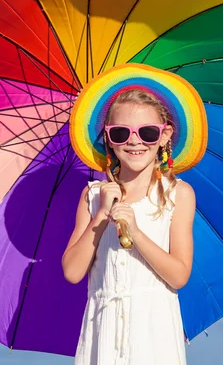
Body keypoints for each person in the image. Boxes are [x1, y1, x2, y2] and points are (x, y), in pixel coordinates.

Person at [63, 83, 199, 364]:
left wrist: (135, 232)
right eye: (121, 133)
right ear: (109, 139)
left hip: (153, 337)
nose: (134, 142)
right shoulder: (93, 195)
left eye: (147, 133)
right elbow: (73, 271)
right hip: (103, 335)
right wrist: (100, 216)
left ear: (165, 136)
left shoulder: (178, 195)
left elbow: (179, 275)